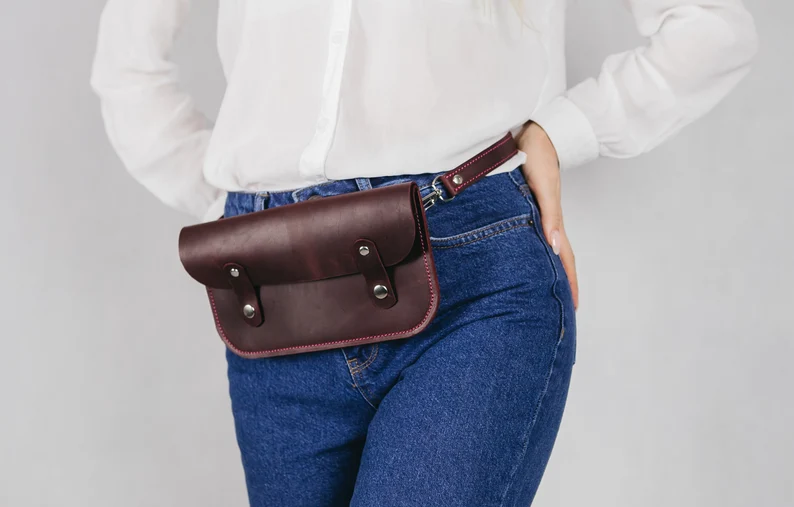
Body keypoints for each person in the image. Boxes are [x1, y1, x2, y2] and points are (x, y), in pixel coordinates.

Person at [90, 1, 758, 505]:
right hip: (277, 300)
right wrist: (236, 211)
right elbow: (126, 67)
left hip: (470, 277)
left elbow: (712, 28)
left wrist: (566, 131)